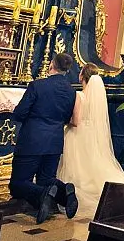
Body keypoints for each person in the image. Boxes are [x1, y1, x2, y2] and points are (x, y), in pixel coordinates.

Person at [10, 53, 80, 224]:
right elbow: (66, 117)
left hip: (32, 140)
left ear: (50, 65)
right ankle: (64, 192)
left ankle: (43, 195)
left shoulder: (37, 85)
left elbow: (20, 113)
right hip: (55, 140)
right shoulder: (71, 91)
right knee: (46, 179)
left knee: (18, 182)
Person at [57, 62, 124, 220]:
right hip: (92, 134)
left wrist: (64, 122)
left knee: (77, 165)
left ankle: (75, 191)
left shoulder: (79, 95)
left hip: (77, 134)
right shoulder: (98, 98)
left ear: (82, 76)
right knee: (92, 161)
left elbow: (75, 121)